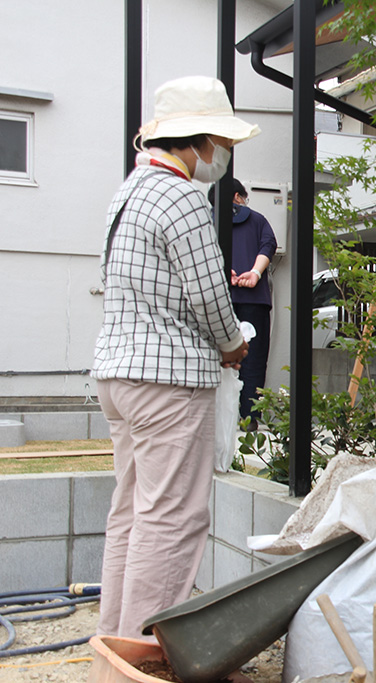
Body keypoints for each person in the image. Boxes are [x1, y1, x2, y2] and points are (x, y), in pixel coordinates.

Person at [93, 76, 259, 639]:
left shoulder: (131, 189)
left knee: (133, 513)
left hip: (118, 371)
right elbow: (210, 295)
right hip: (166, 378)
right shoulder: (182, 195)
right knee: (173, 518)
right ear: (198, 139)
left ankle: (115, 643)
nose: (222, 155)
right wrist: (233, 344)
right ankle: (145, 651)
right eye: (220, 141)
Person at [208, 178, 278, 427]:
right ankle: (250, 418)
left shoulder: (207, 221)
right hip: (254, 300)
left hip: (217, 299)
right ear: (237, 196)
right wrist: (255, 274)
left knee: (213, 357)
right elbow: (268, 245)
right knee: (254, 359)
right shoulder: (258, 220)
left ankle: (216, 419)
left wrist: (224, 271)